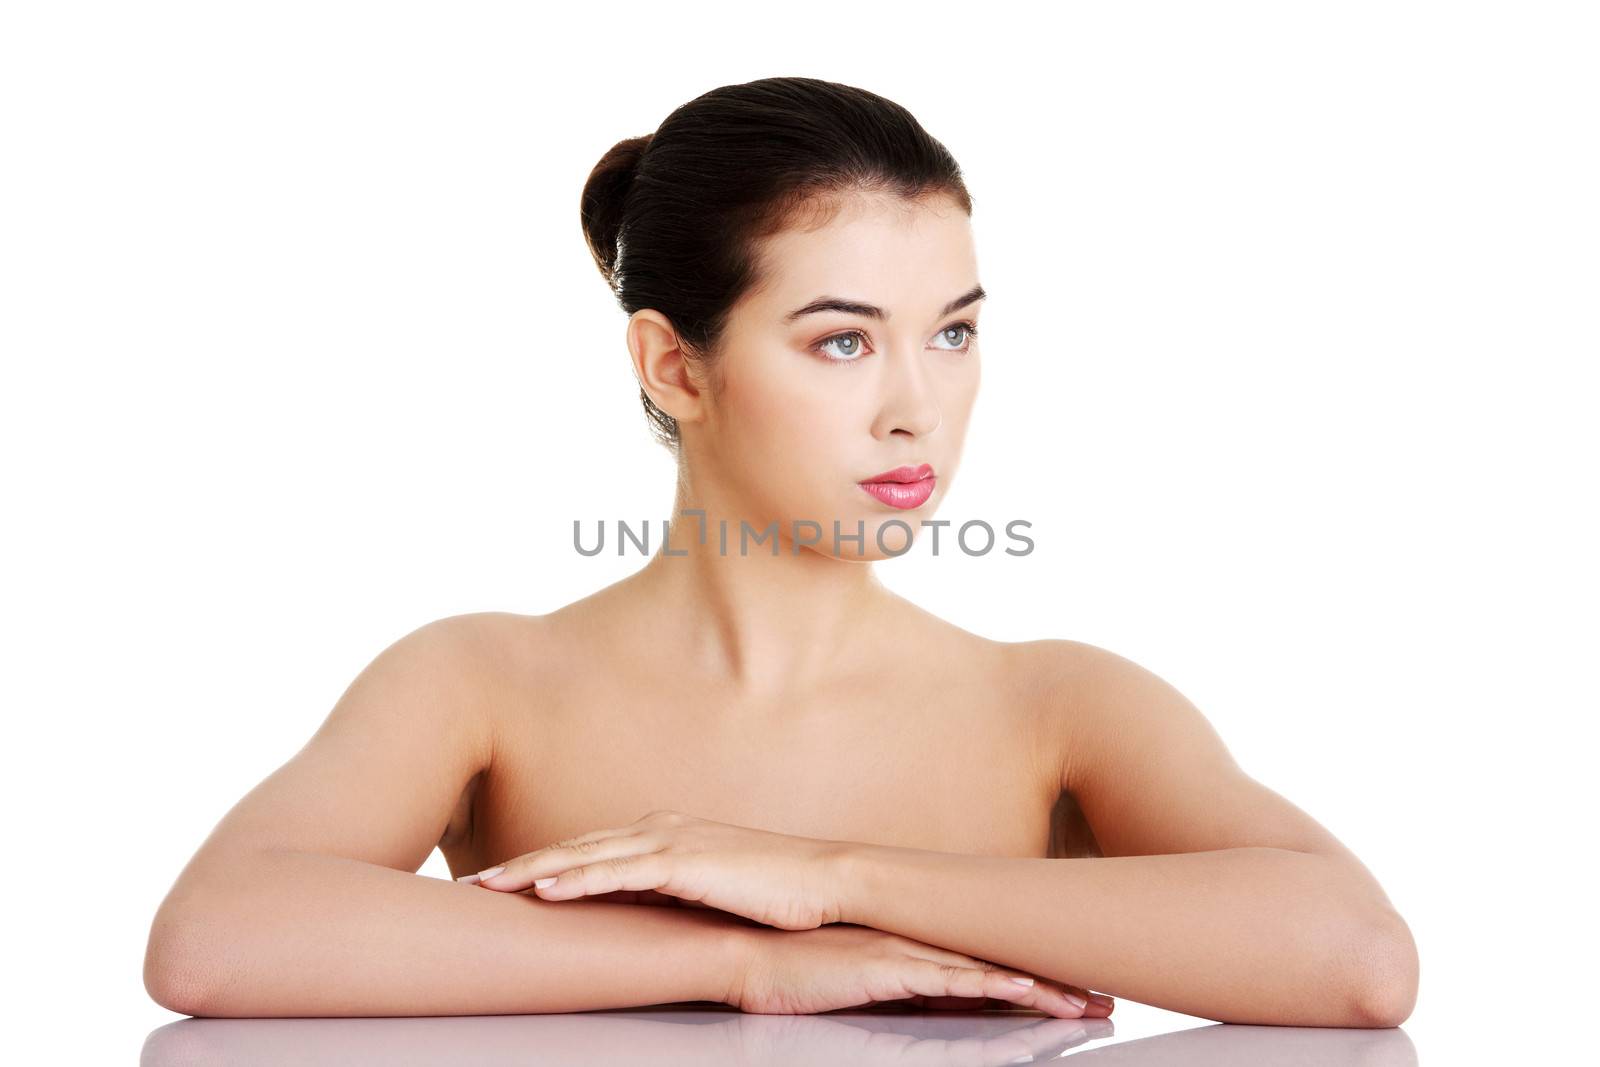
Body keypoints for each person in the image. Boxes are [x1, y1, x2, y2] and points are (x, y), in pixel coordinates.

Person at [143, 76, 1416, 1026]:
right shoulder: (481, 682)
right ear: (674, 365)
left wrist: (822, 877)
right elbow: (214, 940)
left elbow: (1357, 960)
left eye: (955, 333)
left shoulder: (1058, 705)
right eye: (844, 340)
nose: (918, 402)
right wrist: (740, 959)